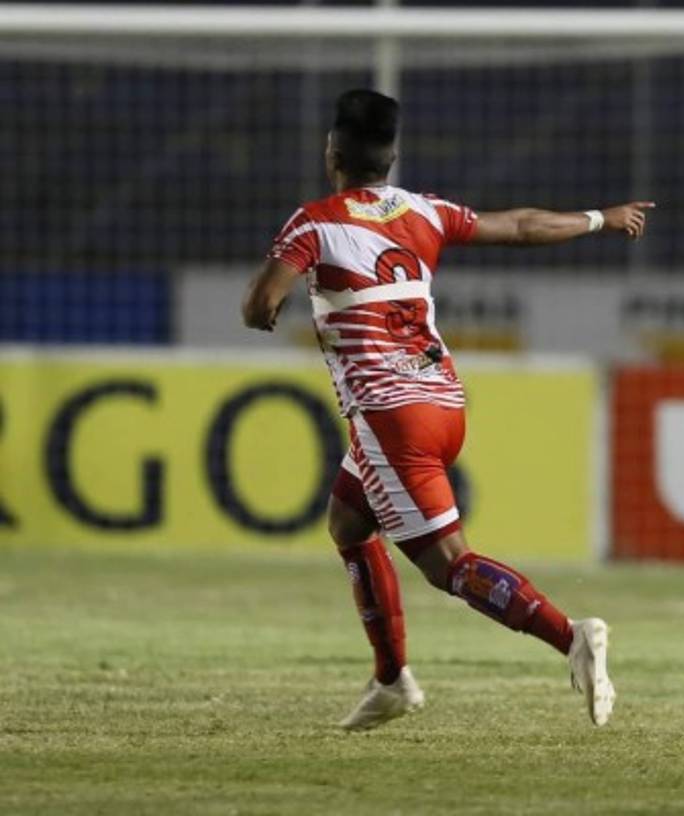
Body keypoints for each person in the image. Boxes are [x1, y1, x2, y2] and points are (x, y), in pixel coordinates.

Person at [242, 89, 653, 729]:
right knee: (349, 523)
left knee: (449, 566)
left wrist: (271, 307)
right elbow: (519, 226)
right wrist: (602, 217)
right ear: (393, 156)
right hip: (443, 399)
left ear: (333, 152)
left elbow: (259, 303)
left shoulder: (314, 222)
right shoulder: (422, 210)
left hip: (389, 416)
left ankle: (570, 634)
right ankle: (391, 680)